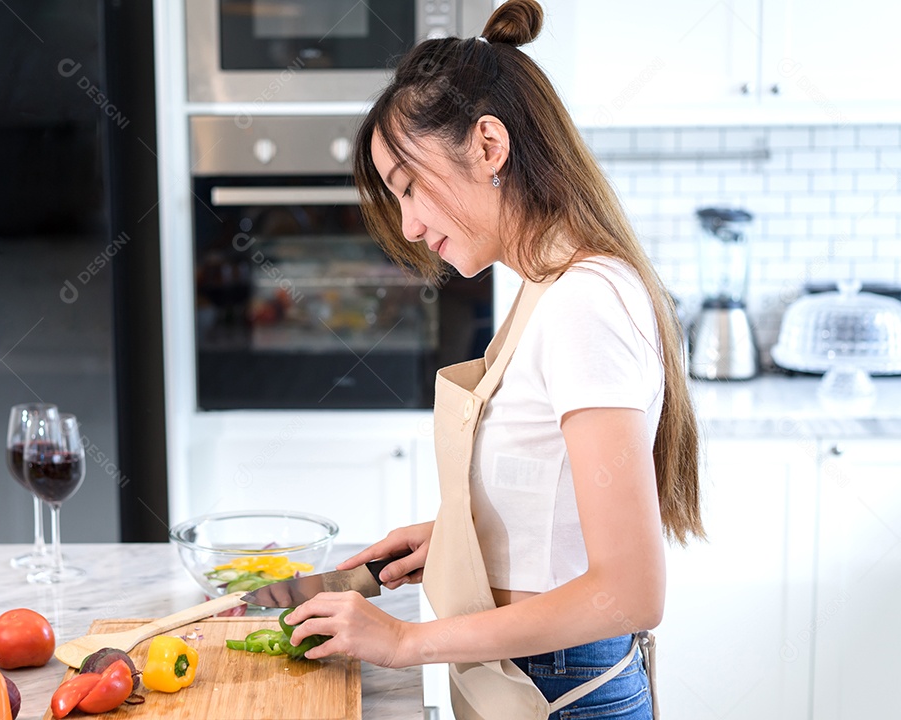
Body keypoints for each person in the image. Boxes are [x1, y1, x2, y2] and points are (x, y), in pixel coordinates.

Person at [285, 0, 705, 717]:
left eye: (409, 188)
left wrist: (404, 641)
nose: (410, 226)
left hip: (566, 691)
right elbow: (558, 503)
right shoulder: (547, 285)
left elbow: (631, 590)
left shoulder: (584, 300)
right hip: (544, 680)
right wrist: (458, 538)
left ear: (488, 146)